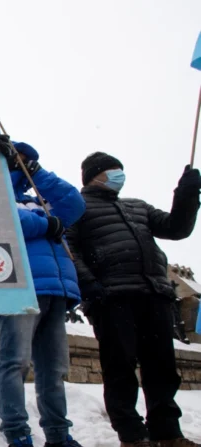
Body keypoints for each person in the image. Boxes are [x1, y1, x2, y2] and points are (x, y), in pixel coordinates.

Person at [66, 152, 201, 447]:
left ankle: (167, 432)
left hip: (154, 294)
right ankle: (132, 435)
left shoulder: (137, 206)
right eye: (113, 170)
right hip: (111, 299)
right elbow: (68, 248)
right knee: (120, 369)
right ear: (94, 175)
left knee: (162, 368)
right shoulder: (76, 207)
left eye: (121, 170)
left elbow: (176, 228)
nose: (119, 175)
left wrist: (187, 194)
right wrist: (91, 287)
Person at [0, 135, 86, 447]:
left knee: (53, 370)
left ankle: (59, 435)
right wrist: (47, 224)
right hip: (16, 287)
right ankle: (17, 433)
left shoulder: (38, 200)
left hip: (56, 291)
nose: (17, 163)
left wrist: (37, 170)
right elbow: (8, 220)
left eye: (23, 159)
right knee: (15, 362)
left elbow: (74, 203)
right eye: (13, 158)